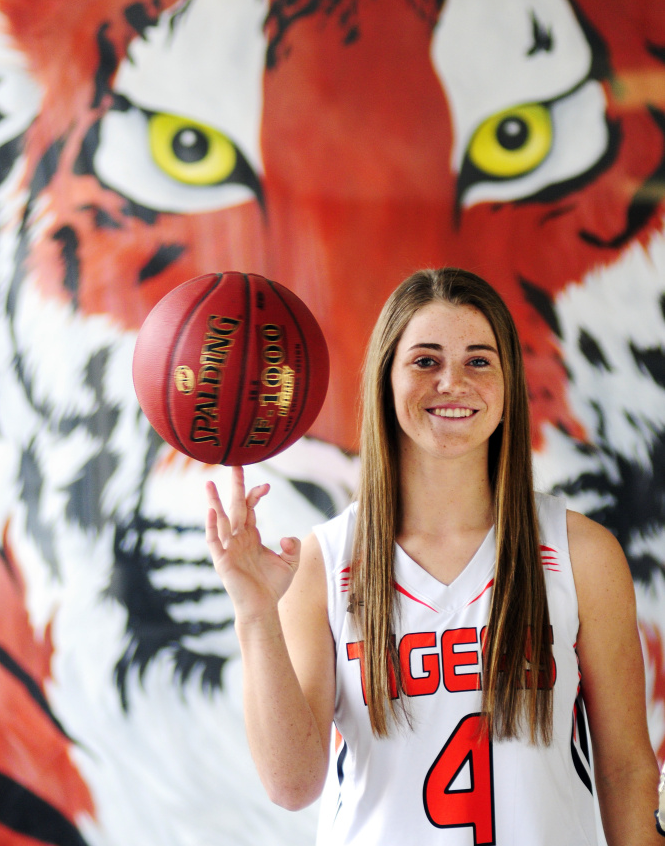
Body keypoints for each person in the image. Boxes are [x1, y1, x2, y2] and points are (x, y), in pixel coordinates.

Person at [205, 267, 661, 845]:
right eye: (425, 361)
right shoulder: (325, 561)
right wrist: (254, 613)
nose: (452, 382)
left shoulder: (581, 554)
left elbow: (626, 770)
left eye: (478, 360)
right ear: (385, 380)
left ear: (507, 384)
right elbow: (291, 785)